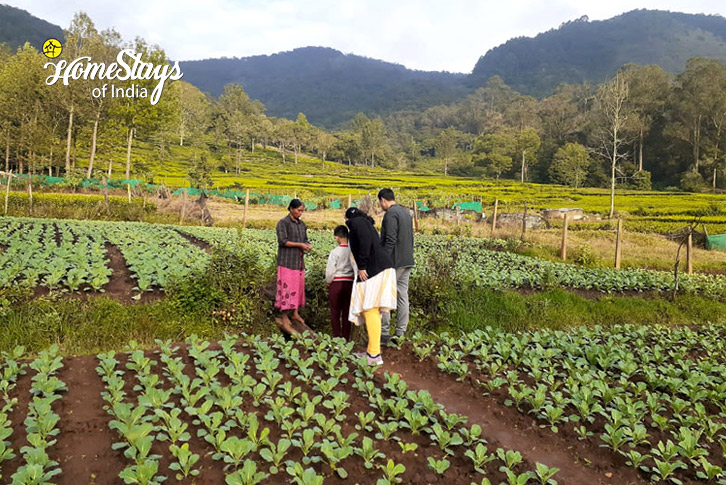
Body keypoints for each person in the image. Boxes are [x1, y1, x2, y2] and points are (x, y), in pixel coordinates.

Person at [346, 206, 397, 365]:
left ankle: (374, 355)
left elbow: (364, 242)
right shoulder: (365, 222)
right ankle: (372, 351)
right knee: (372, 309)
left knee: (370, 308)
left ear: (348, 219)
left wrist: (362, 266)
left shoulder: (356, 223)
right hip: (381, 268)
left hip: (375, 270)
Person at [377, 188, 414, 345]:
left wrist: (383, 259)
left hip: (394, 261)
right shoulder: (406, 213)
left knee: (384, 295)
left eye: (380, 202)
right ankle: (400, 333)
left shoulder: (391, 214)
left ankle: (384, 333)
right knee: (402, 295)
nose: (380, 205)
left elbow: (390, 239)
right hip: (407, 260)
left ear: (383, 200)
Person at [275, 199, 313, 334]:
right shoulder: (283, 223)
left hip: (299, 262)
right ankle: (284, 316)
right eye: (299, 210)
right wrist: (300, 245)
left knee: (298, 288)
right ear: (291, 209)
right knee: (286, 289)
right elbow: (283, 241)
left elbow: (305, 239)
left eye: (302, 211)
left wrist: (307, 244)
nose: (301, 213)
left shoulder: (302, 225)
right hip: (287, 262)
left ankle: (295, 313)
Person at [325, 225, 354, 341]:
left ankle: (337, 338)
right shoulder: (352, 251)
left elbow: (330, 269)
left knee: (335, 312)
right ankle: (346, 339)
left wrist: (328, 281)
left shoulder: (335, 252)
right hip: (349, 282)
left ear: (337, 237)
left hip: (336, 282)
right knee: (347, 312)